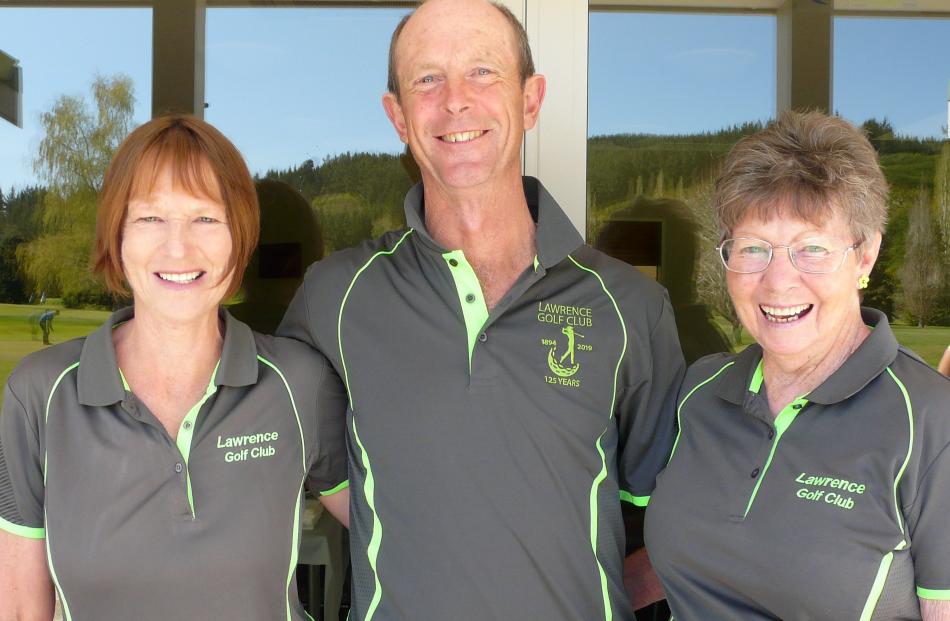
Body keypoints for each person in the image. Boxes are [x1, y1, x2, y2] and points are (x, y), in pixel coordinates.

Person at [278, 1, 685, 619]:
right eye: (427, 79)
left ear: (531, 100)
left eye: (483, 72)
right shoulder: (335, 296)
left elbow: (676, 528)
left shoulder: (630, 307)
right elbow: (319, 473)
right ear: (397, 116)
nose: (456, 100)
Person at [0, 115, 348, 621]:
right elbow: (18, 607)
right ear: (117, 235)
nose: (178, 247)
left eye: (205, 218)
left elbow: (393, 540)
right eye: (149, 218)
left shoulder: (299, 381)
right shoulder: (38, 394)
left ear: (239, 236)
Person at [645, 111, 950, 620]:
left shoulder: (932, 421)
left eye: (811, 248)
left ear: (866, 257)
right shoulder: (702, 389)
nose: (778, 281)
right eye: (754, 249)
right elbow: (704, 549)